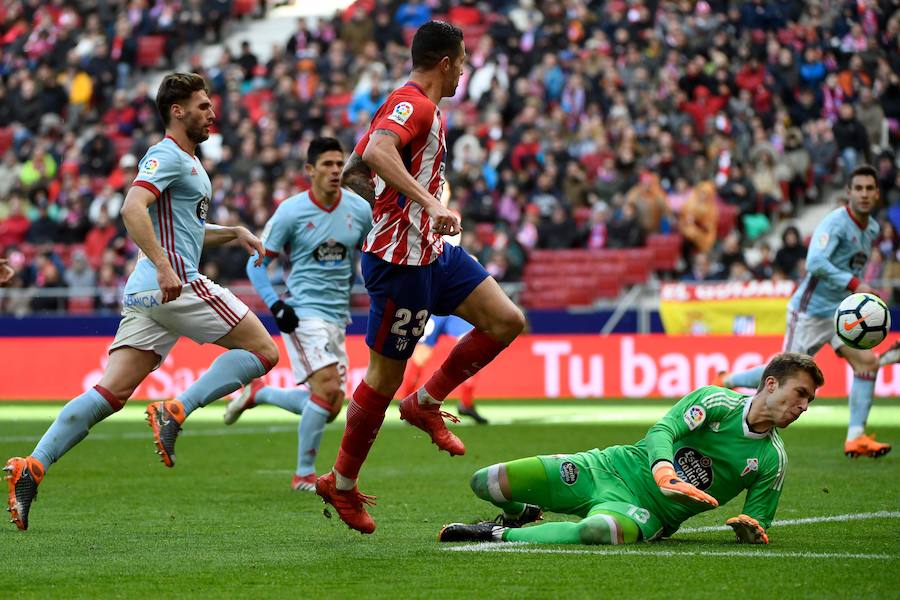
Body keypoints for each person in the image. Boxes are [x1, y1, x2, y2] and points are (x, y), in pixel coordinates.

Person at [3, 73, 279, 531]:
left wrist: (234, 232)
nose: (212, 112)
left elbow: (185, 232)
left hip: (148, 293)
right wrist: (166, 265)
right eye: (203, 105)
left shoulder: (190, 164)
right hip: (174, 284)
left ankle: (33, 465)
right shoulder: (166, 155)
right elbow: (131, 208)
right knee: (263, 352)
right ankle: (177, 408)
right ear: (177, 110)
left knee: (109, 394)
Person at [318, 21, 525, 534]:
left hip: (433, 253)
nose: (463, 74)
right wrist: (428, 201)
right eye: (462, 64)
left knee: (505, 320)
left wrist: (400, 203)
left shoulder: (408, 106)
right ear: (447, 63)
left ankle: (426, 403)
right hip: (400, 266)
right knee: (382, 379)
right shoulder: (417, 104)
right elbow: (374, 154)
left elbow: (352, 171)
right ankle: (340, 485)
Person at [439, 353, 823, 546]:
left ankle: (495, 535)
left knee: (595, 531)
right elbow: (664, 430)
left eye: (809, 400)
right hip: (609, 467)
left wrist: (750, 530)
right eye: (800, 394)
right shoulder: (716, 402)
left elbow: (757, 522)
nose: (803, 407)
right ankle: (521, 513)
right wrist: (662, 468)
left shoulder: (773, 460)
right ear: (770, 384)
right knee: (486, 481)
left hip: (646, 513)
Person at [222, 137, 372, 492]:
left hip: (338, 316)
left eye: (339, 164)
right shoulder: (291, 212)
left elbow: (372, 257)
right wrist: (276, 305)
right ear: (310, 170)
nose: (335, 170)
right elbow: (256, 262)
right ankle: (304, 474)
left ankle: (259, 393)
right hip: (303, 312)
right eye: (327, 165)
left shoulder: (359, 211)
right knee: (328, 390)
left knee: (331, 403)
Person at [716, 166, 890, 459]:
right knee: (784, 373)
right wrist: (856, 284)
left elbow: (852, 267)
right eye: (857, 188)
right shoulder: (835, 224)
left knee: (867, 364)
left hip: (838, 314)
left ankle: (856, 437)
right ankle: (728, 382)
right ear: (848, 192)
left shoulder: (871, 228)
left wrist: (856, 296)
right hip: (809, 312)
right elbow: (815, 262)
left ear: (876, 192)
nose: (863, 194)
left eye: (869, 188)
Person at [398, 315, 487, 424]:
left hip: (456, 311)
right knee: (421, 354)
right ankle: (407, 405)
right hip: (436, 310)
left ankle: (466, 404)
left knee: (473, 349)